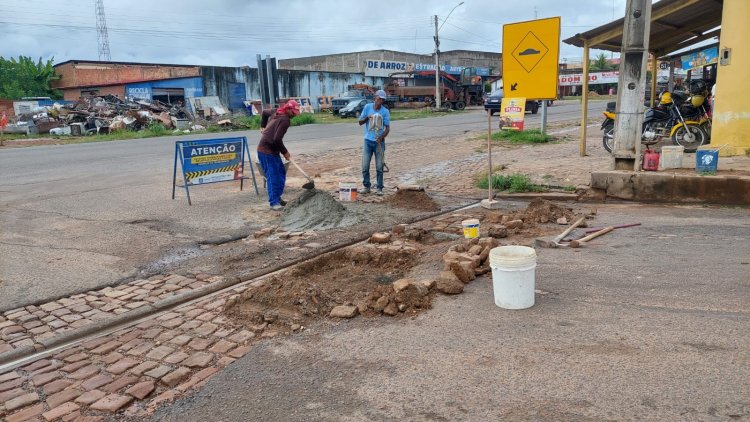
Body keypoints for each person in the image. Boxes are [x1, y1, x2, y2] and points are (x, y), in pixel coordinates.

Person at [257, 99, 300, 210]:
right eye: (293, 112)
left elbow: (264, 113)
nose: (294, 115)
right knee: (273, 177)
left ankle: (277, 197)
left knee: (280, 174)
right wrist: (285, 152)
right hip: (266, 151)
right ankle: (274, 203)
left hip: (272, 150)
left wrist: (263, 126)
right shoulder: (285, 120)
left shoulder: (276, 111)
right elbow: (277, 139)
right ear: (288, 109)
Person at [358, 90, 390, 195]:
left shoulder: (385, 111)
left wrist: (381, 138)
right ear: (375, 98)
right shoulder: (367, 107)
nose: (380, 101)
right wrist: (368, 118)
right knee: (365, 166)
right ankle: (367, 186)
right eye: (379, 98)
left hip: (379, 143)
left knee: (379, 167)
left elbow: (387, 128)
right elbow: (360, 122)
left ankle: (379, 188)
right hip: (368, 141)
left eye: (382, 99)